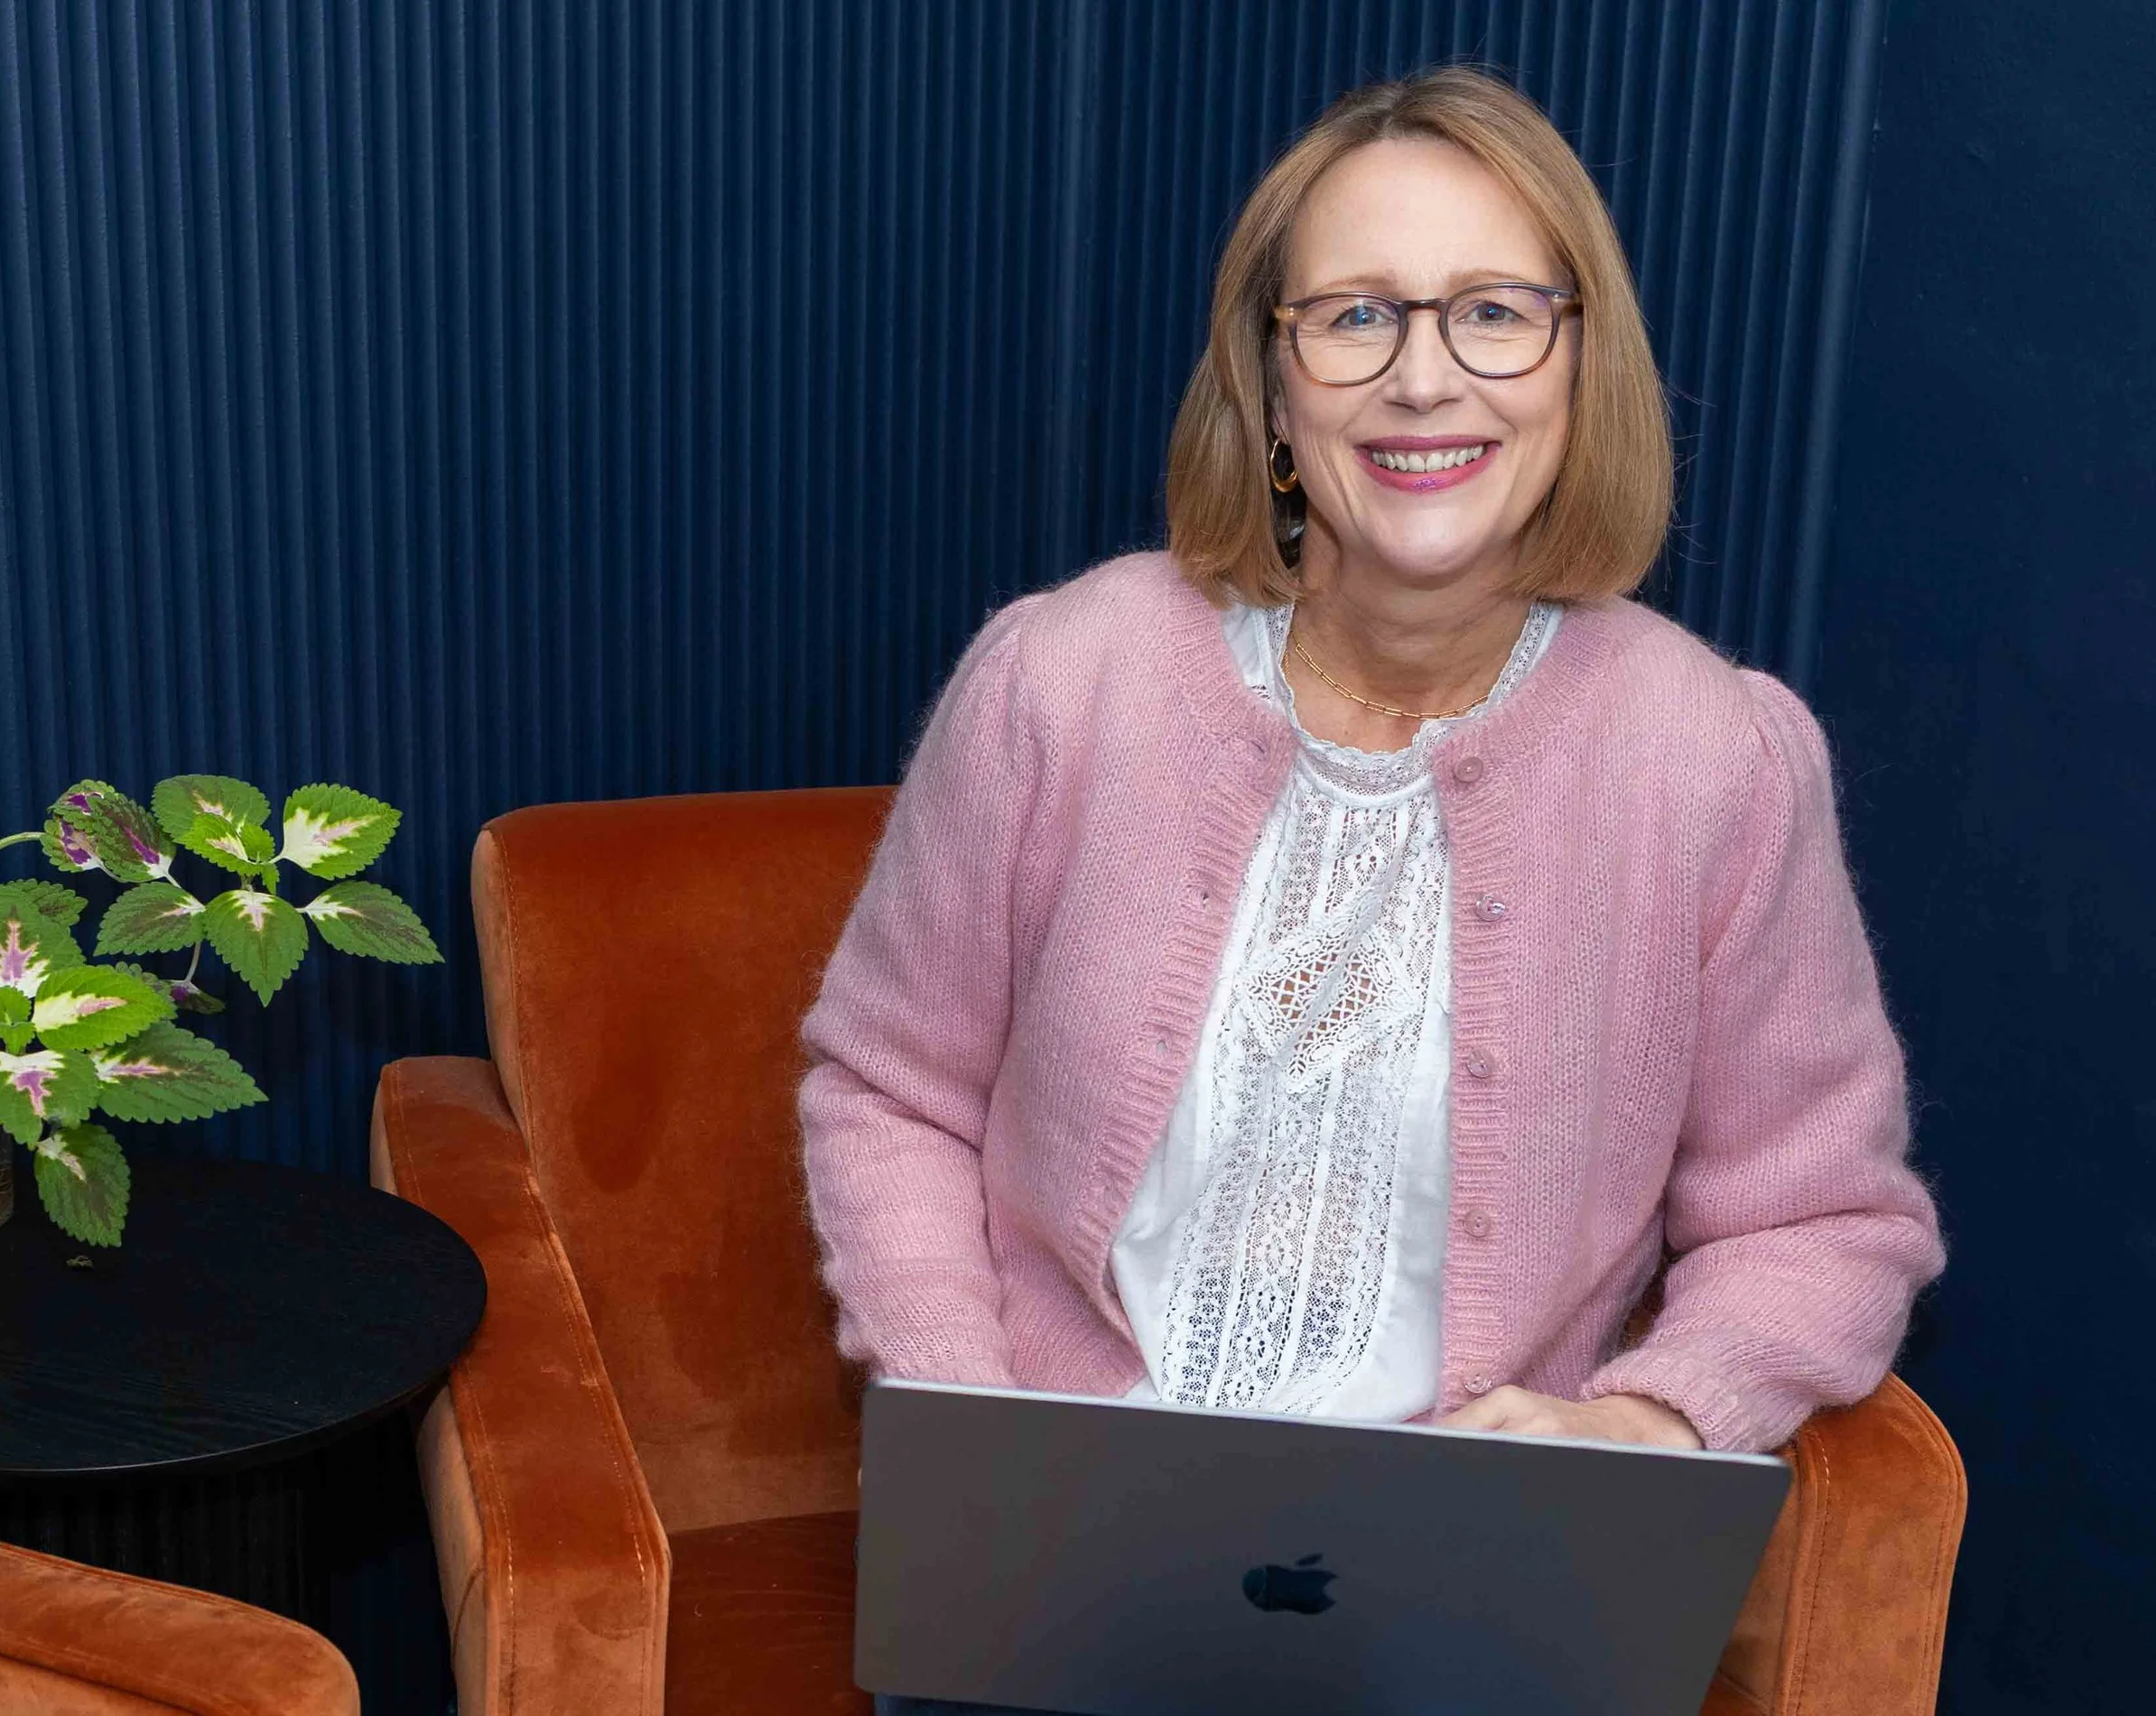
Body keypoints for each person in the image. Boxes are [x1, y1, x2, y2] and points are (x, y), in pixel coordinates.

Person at [799, 67, 1943, 1716]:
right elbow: (888, 1089)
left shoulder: (1718, 761)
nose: (1423, 379)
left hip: (1470, 1611)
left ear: (1577, 366)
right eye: (1352, 317)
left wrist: (1650, 1418)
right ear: (1272, 382)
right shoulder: (1065, 681)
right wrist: (977, 1440)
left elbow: (1825, 1216)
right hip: (1051, 1580)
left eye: (1494, 312)